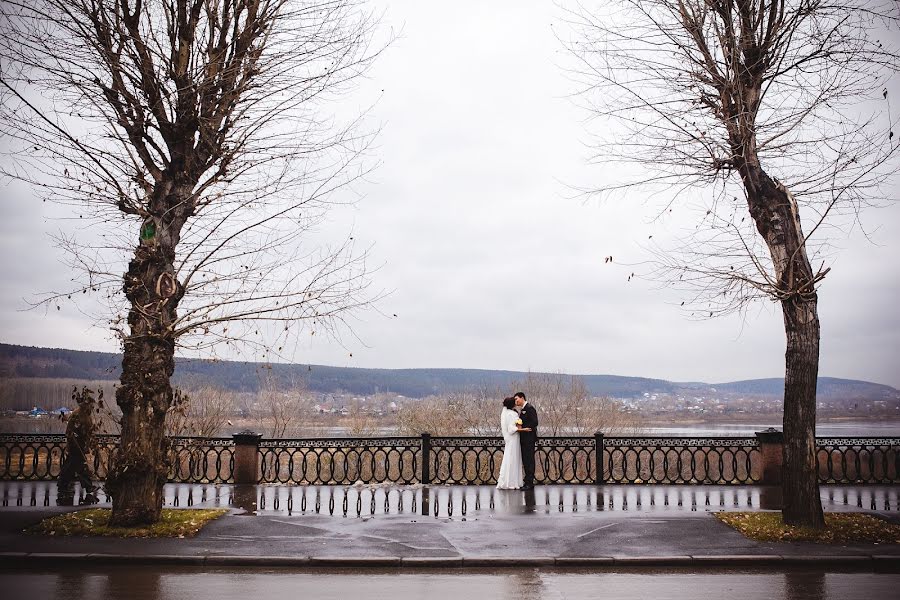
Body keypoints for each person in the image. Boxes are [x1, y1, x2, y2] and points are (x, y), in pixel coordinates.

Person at [496, 397, 525, 489]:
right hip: (514, 439)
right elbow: (511, 429)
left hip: (510, 440)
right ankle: (512, 482)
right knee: (513, 458)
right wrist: (520, 428)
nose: (516, 402)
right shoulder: (512, 414)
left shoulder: (506, 413)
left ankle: (508, 480)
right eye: (515, 401)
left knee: (509, 458)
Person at [514, 391, 538, 490]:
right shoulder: (523, 409)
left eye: (516, 399)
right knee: (526, 460)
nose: (515, 401)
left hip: (529, 439)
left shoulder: (529, 408)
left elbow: (535, 422)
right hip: (524, 440)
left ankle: (529, 482)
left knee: (529, 460)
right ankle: (527, 480)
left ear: (522, 397)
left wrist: (525, 428)